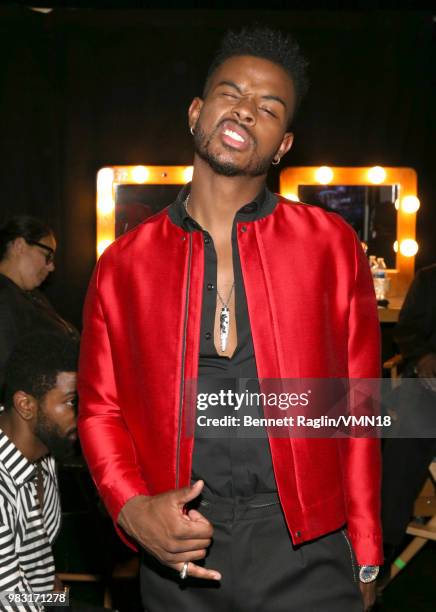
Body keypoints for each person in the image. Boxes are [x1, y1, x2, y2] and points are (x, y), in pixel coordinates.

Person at [78, 27, 382, 611]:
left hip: (309, 548)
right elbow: (99, 409)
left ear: (284, 144)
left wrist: (365, 543)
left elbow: (358, 402)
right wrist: (132, 508)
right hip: (180, 549)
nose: (246, 108)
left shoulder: (330, 245)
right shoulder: (123, 265)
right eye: (230, 92)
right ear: (197, 111)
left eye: (269, 107)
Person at [0, 332, 78, 609]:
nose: (84, 415)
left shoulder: (44, 452)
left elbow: (37, 577)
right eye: (72, 402)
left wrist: (60, 600)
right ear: (26, 405)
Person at [381, 263, 436, 576]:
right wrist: (423, 357)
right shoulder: (429, 279)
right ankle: (384, 546)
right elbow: (407, 329)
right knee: (407, 436)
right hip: (428, 389)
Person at [0, 215, 79, 395]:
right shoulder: (4, 297)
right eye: (47, 255)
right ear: (19, 245)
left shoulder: (30, 294)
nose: (51, 267)